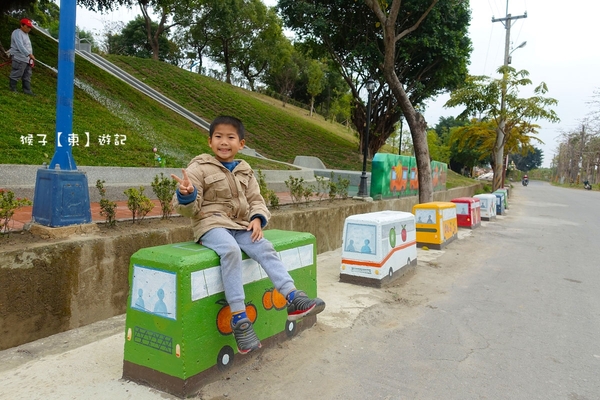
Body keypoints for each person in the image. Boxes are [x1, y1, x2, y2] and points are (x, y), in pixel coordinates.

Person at [171, 115, 325, 355]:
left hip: (241, 225)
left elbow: (256, 200)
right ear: (209, 141)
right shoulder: (198, 167)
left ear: (241, 144)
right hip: (211, 225)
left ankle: (293, 297)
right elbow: (186, 208)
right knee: (230, 251)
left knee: (264, 246)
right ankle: (239, 319)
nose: (224, 142)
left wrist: (256, 219)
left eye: (230, 137)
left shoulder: (245, 169)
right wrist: (187, 193)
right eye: (218, 137)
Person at [9, 18, 36, 95]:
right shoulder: (17, 33)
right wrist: (29, 54)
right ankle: (12, 88)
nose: (29, 29)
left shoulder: (26, 34)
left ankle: (27, 90)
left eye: (30, 27)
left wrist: (29, 56)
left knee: (27, 74)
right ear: (22, 25)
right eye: (27, 26)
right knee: (17, 72)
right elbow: (20, 45)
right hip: (19, 57)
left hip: (27, 59)